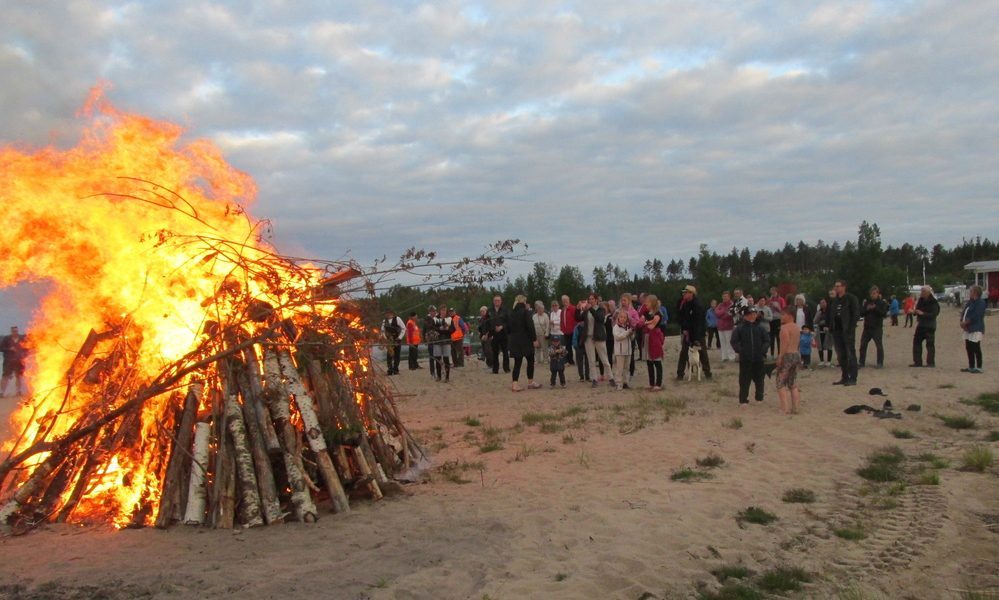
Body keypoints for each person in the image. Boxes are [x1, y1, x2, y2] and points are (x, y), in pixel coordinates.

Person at [731, 306, 770, 406]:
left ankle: (759, 397)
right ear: (745, 316)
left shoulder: (760, 328)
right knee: (744, 380)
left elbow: (767, 340)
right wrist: (741, 351)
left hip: (758, 358)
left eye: (754, 314)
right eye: (750, 314)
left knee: (759, 379)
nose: (752, 316)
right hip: (745, 359)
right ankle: (743, 399)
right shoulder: (740, 328)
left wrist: (763, 351)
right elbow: (734, 341)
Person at [675, 285, 712, 380]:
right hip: (688, 332)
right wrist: (684, 329)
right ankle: (680, 373)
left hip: (697, 333)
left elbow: (699, 322)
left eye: (686, 292)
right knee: (684, 352)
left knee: (702, 353)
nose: (684, 294)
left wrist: (697, 337)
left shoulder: (698, 305)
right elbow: (684, 318)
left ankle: (707, 372)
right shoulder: (686, 304)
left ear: (691, 293)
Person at [576, 293, 612, 388]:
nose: (590, 300)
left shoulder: (601, 310)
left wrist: (590, 309)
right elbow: (578, 318)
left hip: (598, 337)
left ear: (596, 300)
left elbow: (599, 318)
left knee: (604, 359)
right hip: (588, 338)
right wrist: (577, 309)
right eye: (589, 299)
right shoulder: (587, 311)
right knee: (591, 360)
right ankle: (594, 379)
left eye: (592, 299)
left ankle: (611, 377)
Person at [830, 280, 860, 386]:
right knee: (841, 355)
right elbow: (832, 314)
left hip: (847, 330)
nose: (836, 288)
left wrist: (851, 327)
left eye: (838, 286)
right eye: (835, 286)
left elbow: (856, 313)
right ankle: (844, 377)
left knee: (850, 354)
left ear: (844, 287)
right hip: (837, 330)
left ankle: (853, 378)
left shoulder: (851, 298)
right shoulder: (835, 301)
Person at [508, 295, 540, 391]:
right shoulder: (526, 312)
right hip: (526, 341)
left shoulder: (512, 313)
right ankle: (530, 382)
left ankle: (514, 384)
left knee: (517, 363)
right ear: (524, 302)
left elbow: (508, 329)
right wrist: (534, 339)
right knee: (530, 361)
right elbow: (530, 326)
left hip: (514, 341)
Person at [776, 307, 802, 414]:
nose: (781, 317)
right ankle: (796, 408)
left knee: (780, 382)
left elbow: (785, 343)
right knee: (793, 382)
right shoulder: (796, 327)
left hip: (787, 355)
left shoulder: (784, 328)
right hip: (796, 354)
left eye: (783, 314)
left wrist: (780, 357)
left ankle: (784, 408)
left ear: (790, 315)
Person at [858, 286, 889, 369]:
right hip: (867, 327)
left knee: (879, 346)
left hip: (877, 328)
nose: (872, 295)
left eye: (874, 293)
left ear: (878, 294)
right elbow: (861, 313)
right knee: (863, 345)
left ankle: (880, 362)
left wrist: (875, 308)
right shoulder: (867, 302)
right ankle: (861, 362)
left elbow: (884, 314)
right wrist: (867, 309)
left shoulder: (882, 303)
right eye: (871, 294)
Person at [911, 285, 940, 368]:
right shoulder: (921, 300)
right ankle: (917, 362)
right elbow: (917, 309)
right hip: (921, 325)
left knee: (930, 344)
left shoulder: (933, 302)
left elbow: (934, 314)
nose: (921, 293)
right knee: (916, 342)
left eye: (923, 291)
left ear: (928, 292)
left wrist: (923, 313)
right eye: (921, 291)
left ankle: (930, 363)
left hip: (930, 326)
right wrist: (914, 312)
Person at [640, 295, 665, 391]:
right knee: (649, 362)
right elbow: (641, 320)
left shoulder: (658, 313)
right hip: (647, 337)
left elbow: (652, 326)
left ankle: (658, 384)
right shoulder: (647, 313)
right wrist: (646, 322)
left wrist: (645, 322)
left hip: (654, 338)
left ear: (653, 303)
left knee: (657, 361)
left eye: (648, 302)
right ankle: (651, 383)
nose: (646, 303)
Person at [960, 285, 986, 374]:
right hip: (967, 328)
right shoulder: (970, 302)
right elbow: (964, 312)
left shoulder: (981, 302)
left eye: (971, 292)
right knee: (969, 347)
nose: (969, 293)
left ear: (975, 293)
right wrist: (962, 322)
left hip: (976, 327)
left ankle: (979, 367)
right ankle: (971, 366)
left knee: (976, 347)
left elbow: (977, 315)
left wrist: (967, 322)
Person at [0, 327, 27, 397]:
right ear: (11, 332)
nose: (15, 332)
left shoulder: (22, 338)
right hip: (8, 361)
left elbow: (26, 348)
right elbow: (1, 348)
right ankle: (1, 392)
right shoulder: (6, 339)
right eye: (13, 331)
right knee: (5, 376)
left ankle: (18, 391)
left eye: (16, 331)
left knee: (19, 376)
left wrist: (24, 356)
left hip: (19, 360)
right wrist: (9, 349)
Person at [612, 309, 635, 390]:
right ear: (618, 318)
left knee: (626, 368)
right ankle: (618, 383)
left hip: (628, 351)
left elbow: (631, 338)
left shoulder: (628, 327)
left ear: (627, 319)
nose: (623, 319)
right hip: (620, 351)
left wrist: (631, 334)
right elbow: (618, 337)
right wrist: (627, 333)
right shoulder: (616, 327)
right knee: (619, 368)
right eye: (621, 317)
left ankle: (625, 382)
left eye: (625, 317)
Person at [488, 295, 511, 374]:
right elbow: (487, 322)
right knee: (494, 352)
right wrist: (492, 329)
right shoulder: (490, 310)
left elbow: (509, 322)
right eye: (495, 300)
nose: (497, 302)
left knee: (505, 352)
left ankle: (506, 368)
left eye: (498, 300)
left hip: (503, 333)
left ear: (501, 301)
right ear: (493, 301)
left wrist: (502, 326)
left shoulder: (505, 310)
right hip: (494, 334)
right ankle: (495, 369)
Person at [381, 310, 406, 375]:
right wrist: (386, 338)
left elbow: (403, 328)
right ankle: (390, 370)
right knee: (389, 355)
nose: (388, 315)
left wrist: (400, 337)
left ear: (392, 313)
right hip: (389, 340)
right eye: (386, 313)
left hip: (397, 339)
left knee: (397, 355)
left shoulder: (397, 319)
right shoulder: (384, 321)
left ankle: (396, 370)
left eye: (389, 313)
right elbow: (382, 331)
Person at [715, 291, 736, 362]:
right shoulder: (720, 304)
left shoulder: (732, 304)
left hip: (728, 326)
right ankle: (724, 356)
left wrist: (722, 314)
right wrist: (724, 311)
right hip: (720, 327)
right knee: (722, 342)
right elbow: (717, 313)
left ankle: (731, 356)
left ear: (729, 297)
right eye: (723, 296)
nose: (724, 298)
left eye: (726, 296)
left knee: (729, 342)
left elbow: (729, 315)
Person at [813, 298, 833, 367]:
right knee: (820, 345)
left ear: (826, 303)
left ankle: (828, 361)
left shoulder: (830, 311)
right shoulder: (819, 312)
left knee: (828, 346)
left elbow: (832, 320)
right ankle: (821, 360)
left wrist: (826, 324)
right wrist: (820, 318)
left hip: (828, 331)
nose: (822, 304)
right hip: (820, 331)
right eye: (821, 303)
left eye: (824, 302)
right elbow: (815, 321)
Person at [559, 295, 577, 366]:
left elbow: (576, 319)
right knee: (567, 346)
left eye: (566, 300)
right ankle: (570, 360)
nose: (565, 302)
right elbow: (562, 321)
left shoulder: (573, 308)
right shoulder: (562, 310)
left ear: (569, 300)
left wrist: (575, 329)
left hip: (573, 331)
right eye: (563, 301)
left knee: (575, 346)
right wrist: (562, 329)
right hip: (566, 331)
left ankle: (574, 360)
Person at [768, 287, 786, 356]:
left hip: (778, 320)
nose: (772, 293)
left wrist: (777, 307)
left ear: (776, 291)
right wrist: (770, 306)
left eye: (773, 292)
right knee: (771, 338)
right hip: (771, 320)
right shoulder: (770, 299)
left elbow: (783, 311)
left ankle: (779, 354)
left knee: (779, 338)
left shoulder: (781, 299)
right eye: (771, 292)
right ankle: (772, 354)